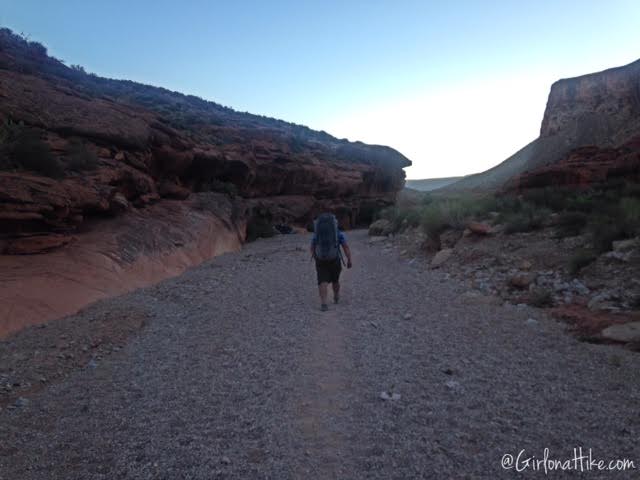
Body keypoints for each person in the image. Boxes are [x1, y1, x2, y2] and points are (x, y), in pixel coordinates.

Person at [310, 213, 352, 311]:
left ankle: (324, 303)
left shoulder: (317, 234)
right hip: (334, 259)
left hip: (320, 260)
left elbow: (312, 247)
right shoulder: (338, 233)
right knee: (335, 280)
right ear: (334, 224)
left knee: (322, 281)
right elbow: (345, 247)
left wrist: (316, 257)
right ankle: (336, 296)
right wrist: (349, 259)